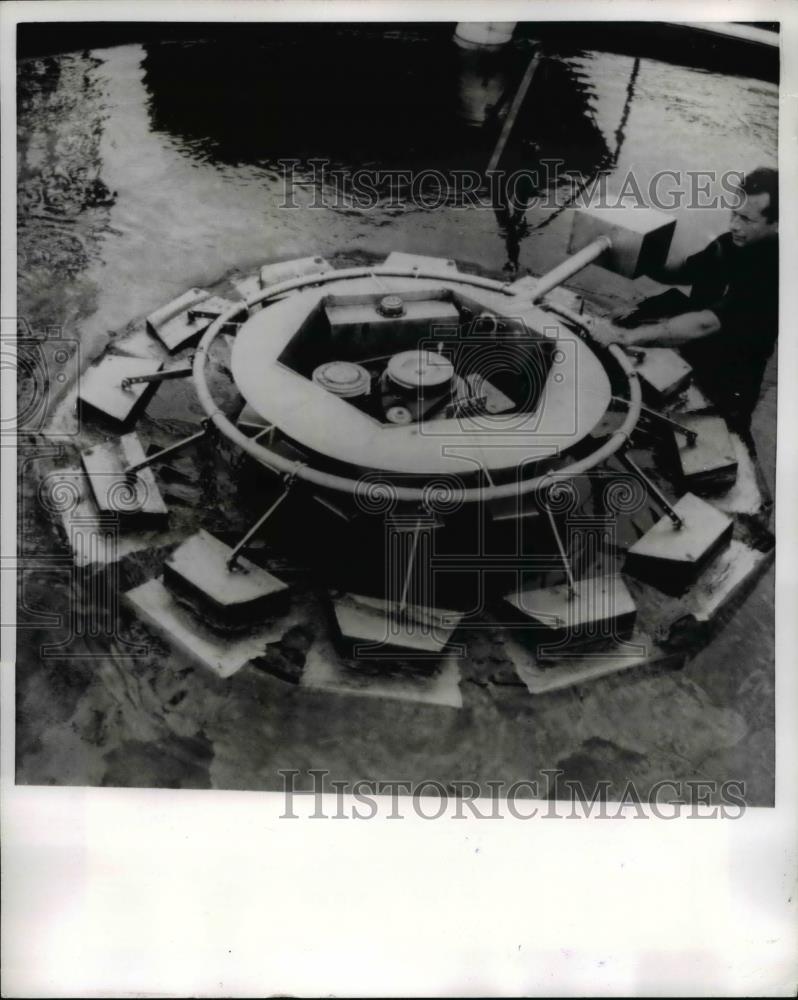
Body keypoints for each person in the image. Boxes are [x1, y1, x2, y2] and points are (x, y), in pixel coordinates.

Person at [590, 167, 779, 437]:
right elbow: (685, 270)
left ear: (777, 223)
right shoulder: (730, 243)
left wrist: (627, 336)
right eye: (733, 213)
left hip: (728, 378)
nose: (734, 225)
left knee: (708, 441)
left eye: (747, 219)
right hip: (695, 352)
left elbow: (706, 323)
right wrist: (636, 252)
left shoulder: (774, 271)